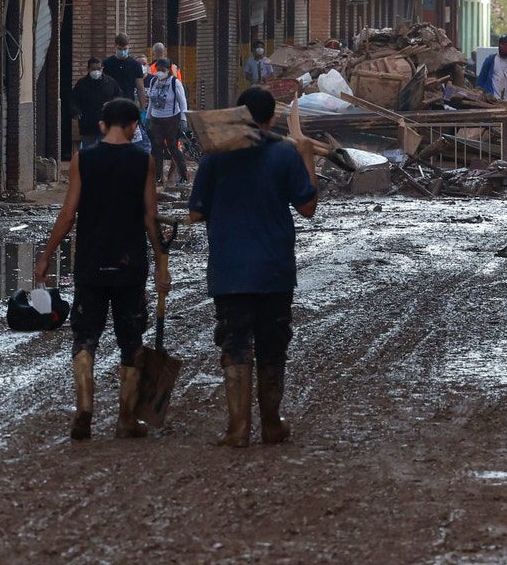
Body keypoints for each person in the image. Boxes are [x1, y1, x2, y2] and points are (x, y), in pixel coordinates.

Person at [187, 86, 317, 448]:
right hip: (274, 269)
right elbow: (308, 207)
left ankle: (237, 427)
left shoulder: (215, 157)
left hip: (230, 270)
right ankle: (272, 425)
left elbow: (195, 212)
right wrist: (307, 156)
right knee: (273, 347)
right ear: (271, 118)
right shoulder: (285, 155)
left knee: (236, 344)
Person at [35, 98, 169, 442]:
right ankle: (126, 419)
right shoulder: (144, 161)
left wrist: (46, 254)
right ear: (133, 126)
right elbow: (150, 217)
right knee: (130, 341)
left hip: (91, 262)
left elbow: (68, 214)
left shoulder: (84, 159)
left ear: (101, 125)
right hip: (130, 264)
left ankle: (84, 406)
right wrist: (161, 263)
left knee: (85, 337)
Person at [146, 58, 190, 185]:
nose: (160, 73)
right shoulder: (153, 81)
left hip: (171, 119)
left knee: (173, 147)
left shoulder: (174, 83)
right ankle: (157, 177)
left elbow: (183, 102)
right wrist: (148, 118)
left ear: (168, 71)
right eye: (158, 70)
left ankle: (184, 175)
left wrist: (183, 119)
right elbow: (151, 103)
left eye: (163, 70)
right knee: (156, 148)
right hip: (156, 120)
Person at [70, 57, 119, 150]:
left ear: (102, 68)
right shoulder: (82, 84)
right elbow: (73, 100)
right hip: (87, 124)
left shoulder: (110, 82)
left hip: (106, 122)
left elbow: (119, 97)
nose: (96, 71)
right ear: (88, 69)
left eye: (99, 69)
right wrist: (75, 112)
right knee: (88, 151)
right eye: (93, 69)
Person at [102, 34, 147, 109]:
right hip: (111, 104)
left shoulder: (135, 65)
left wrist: (143, 109)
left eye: (125, 49)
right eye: (119, 49)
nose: (122, 51)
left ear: (128, 46)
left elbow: (140, 88)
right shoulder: (107, 63)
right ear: (115, 46)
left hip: (128, 103)